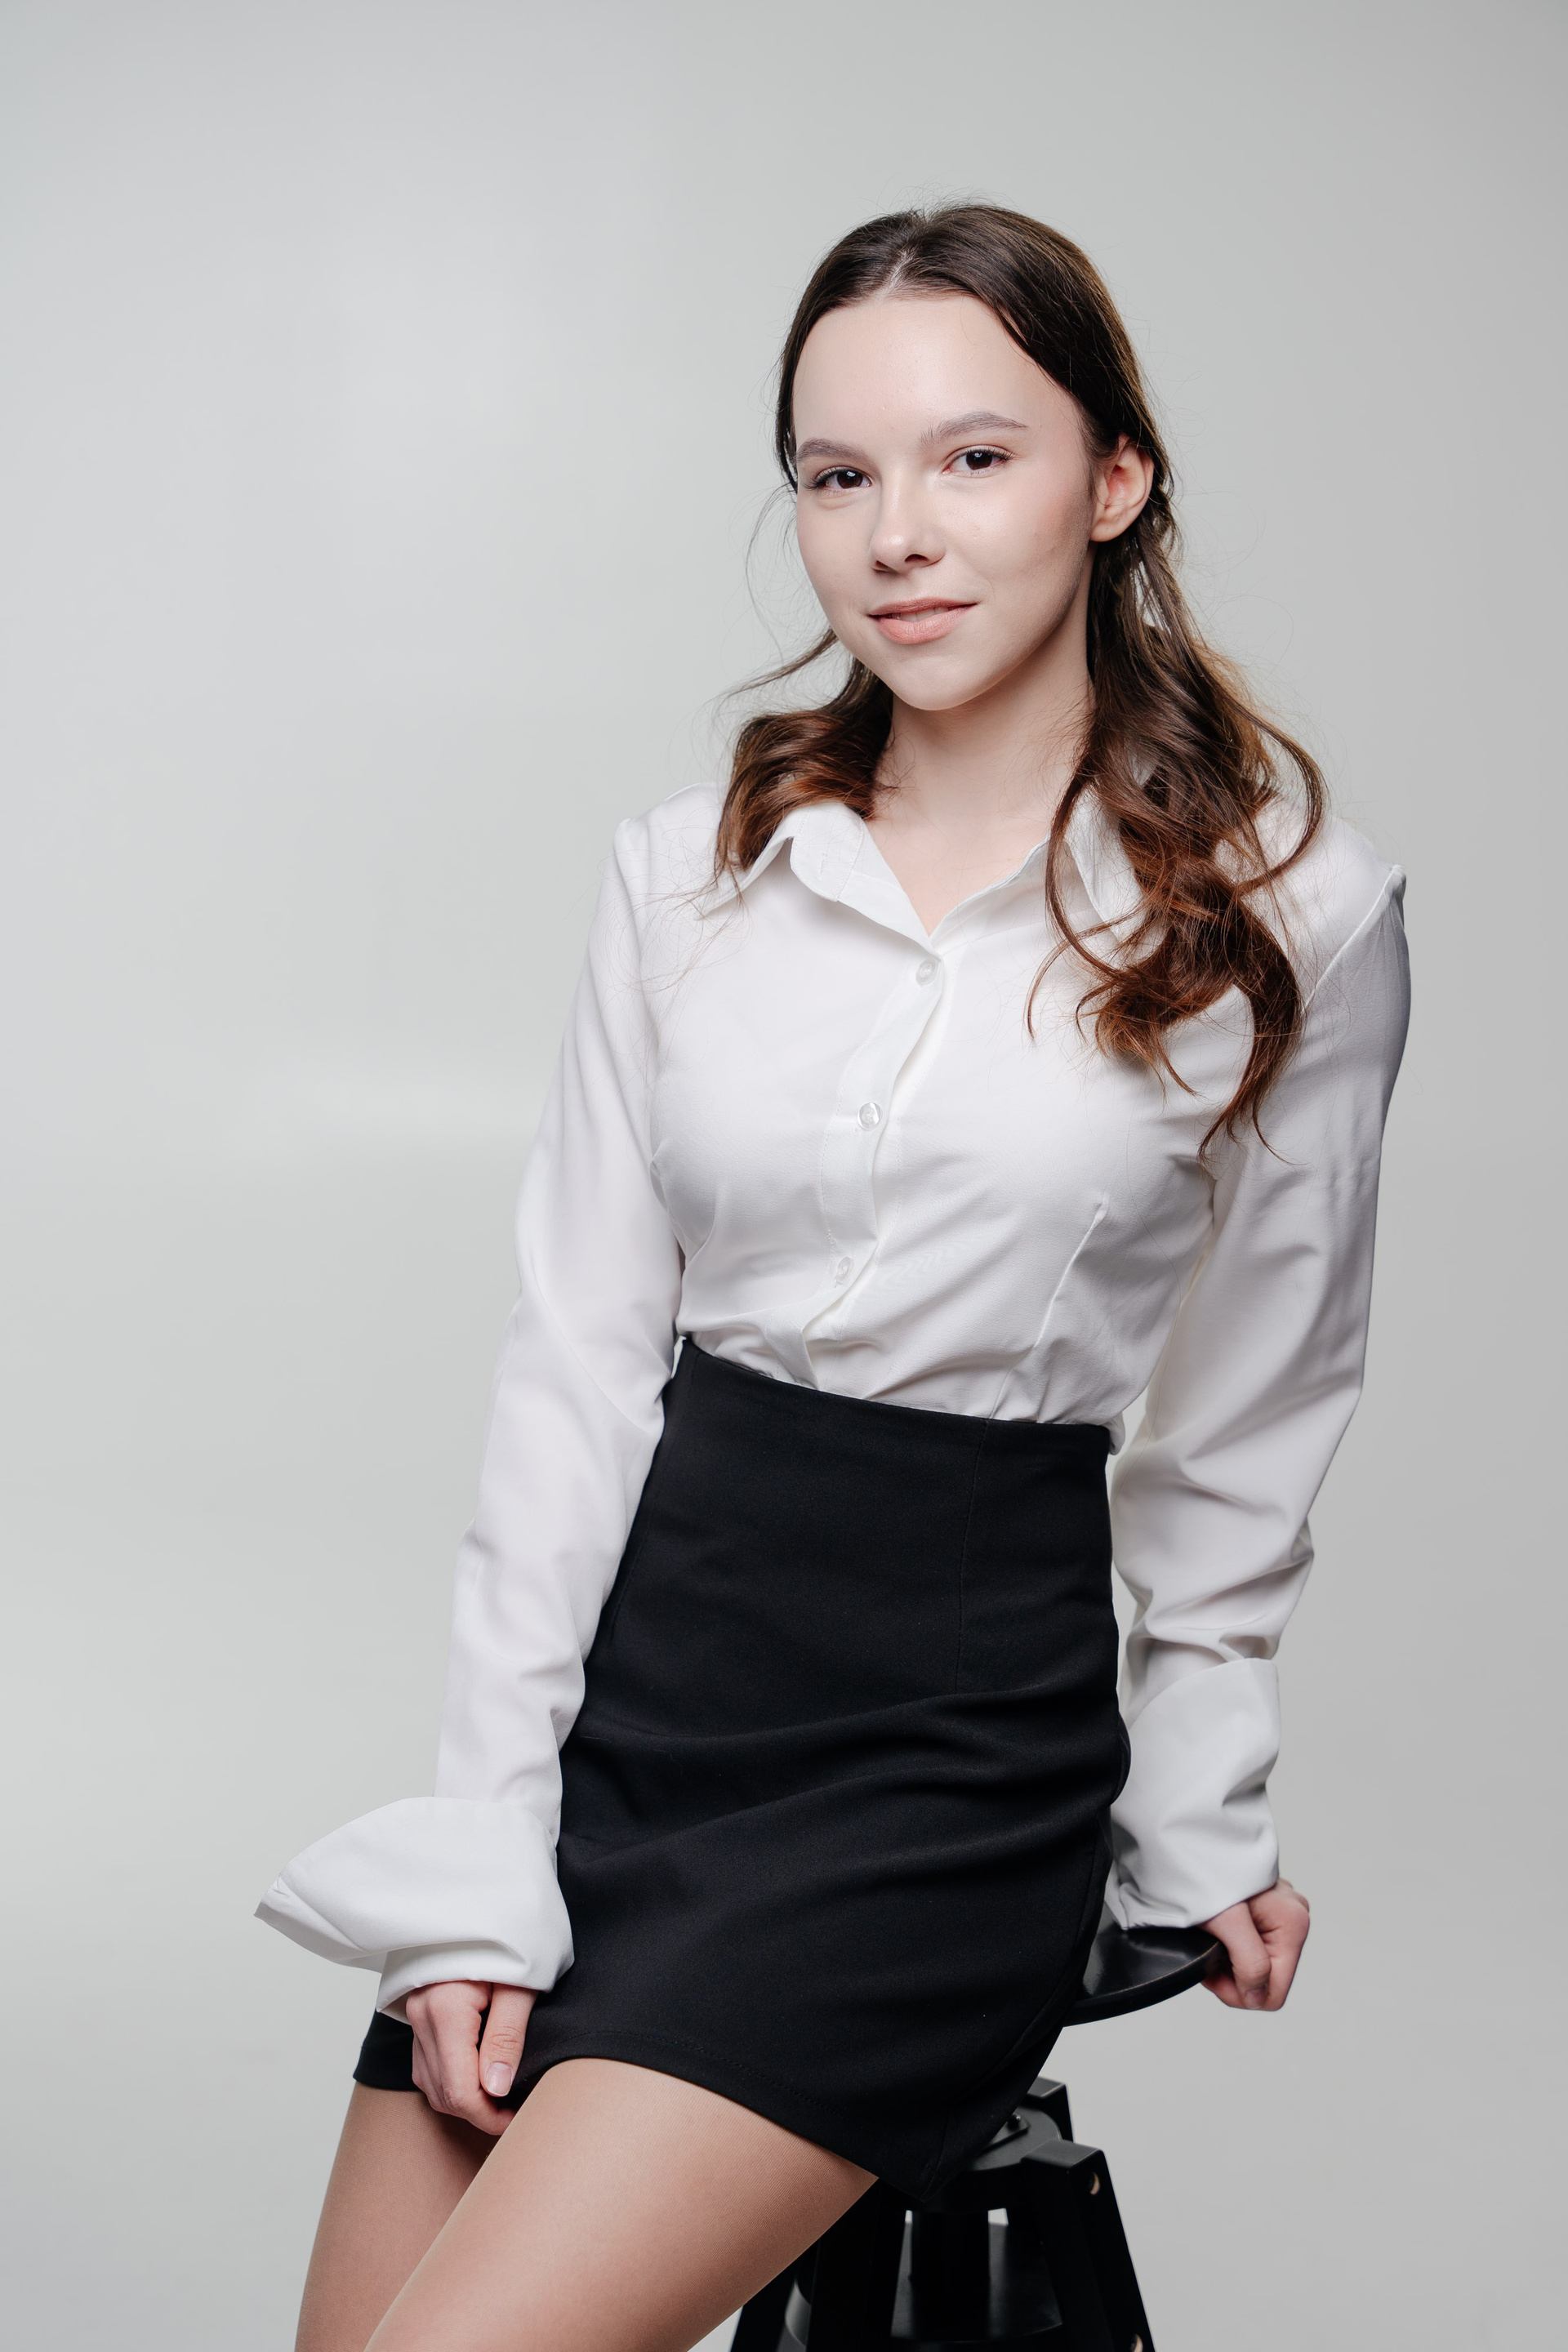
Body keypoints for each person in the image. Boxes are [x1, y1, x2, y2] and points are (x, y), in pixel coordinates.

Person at [257, 204, 1409, 2352]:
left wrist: (1199, 1809)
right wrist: (489, 1842)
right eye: (835, 473)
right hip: (640, 1706)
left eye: (975, 457)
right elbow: (576, 1370)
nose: (899, 534)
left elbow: (1255, 1421)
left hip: (941, 1760)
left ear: (1116, 478)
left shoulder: (1291, 912)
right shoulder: (686, 876)